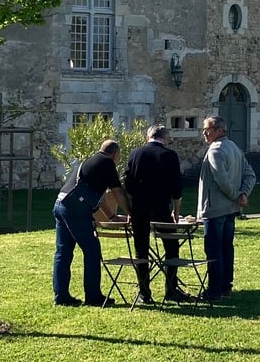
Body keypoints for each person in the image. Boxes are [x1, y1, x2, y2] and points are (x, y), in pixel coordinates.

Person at [52, 139, 127, 307]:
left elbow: (99, 197)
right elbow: (118, 193)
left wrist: (112, 216)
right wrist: (131, 214)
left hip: (61, 204)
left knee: (63, 252)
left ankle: (61, 296)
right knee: (92, 250)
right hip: (75, 209)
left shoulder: (90, 161)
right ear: (116, 154)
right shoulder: (107, 163)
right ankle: (93, 297)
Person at [125, 124, 187, 304]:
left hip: (140, 208)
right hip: (161, 208)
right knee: (172, 247)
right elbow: (177, 187)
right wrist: (176, 211)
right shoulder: (169, 155)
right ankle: (171, 289)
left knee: (141, 251)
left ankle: (144, 293)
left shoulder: (135, 153)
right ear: (165, 139)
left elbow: (128, 183)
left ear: (148, 137)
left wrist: (134, 201)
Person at [198, 116, 256, 302]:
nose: (204, 133)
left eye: (208, 129)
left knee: (214, 250)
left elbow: (222, 180)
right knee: (226, 248)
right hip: (230, 209)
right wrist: (243, 194)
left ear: (219, 130)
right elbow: (250, 175)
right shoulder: (235, 148)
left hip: (216, 209)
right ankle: (225, 286)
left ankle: (215, 290)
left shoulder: (216, 150)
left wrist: (239, 195)